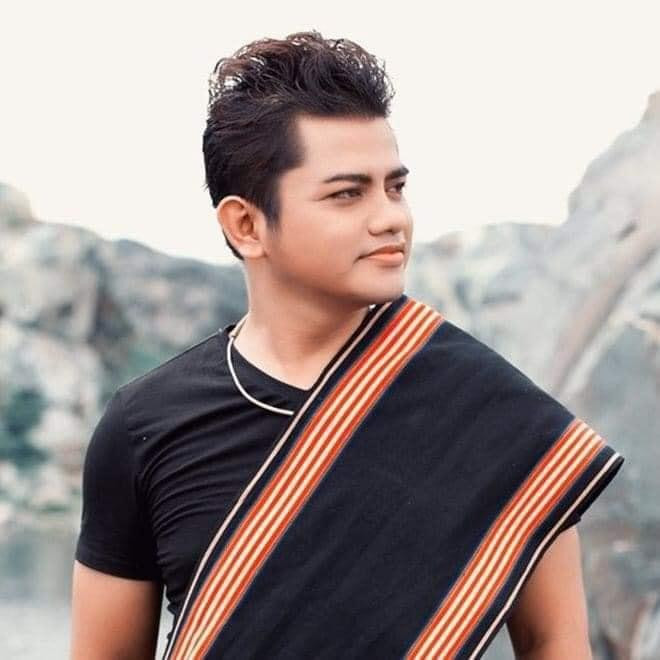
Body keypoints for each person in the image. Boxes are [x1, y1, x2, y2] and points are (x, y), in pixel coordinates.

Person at [70, 31, 624, 659]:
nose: (391, 218)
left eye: (396, 187)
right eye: (347, 194)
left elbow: (556, 643)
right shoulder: (144, 426)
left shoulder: (495, 417)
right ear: (246, 225)